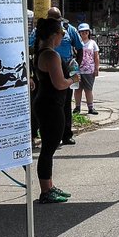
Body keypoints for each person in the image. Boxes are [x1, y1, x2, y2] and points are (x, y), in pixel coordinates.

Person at [33, 18, 78, 203]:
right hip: (50, 105)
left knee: (50, 146)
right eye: (61, 34)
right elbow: (59, 83)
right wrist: (72, 80)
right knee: (48, 149)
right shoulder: (51, 55)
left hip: (48, 103)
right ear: (54, 35)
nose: (63, 37)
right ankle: (45, 191)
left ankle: (49, 185)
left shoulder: (42, 53)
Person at [46, 7, 83, 146]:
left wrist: (75, 67)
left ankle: (66, 134)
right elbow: (31, 46)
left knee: (66, 104)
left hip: (66, 68)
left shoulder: (70, 30)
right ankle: (48, 133)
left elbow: (80, 48)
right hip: (47, 69)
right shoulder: (41, 30)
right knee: (48, 102)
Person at [73, 23, 100, 115]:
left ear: (89, 32)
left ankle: (90, 107)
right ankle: (77, 107)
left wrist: (96, 68)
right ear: (79, 33)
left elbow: (96, 57)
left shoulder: (93, 43)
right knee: (77, 90)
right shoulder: (76, 44)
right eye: (82, 32)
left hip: (89, 70)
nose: (84, 33)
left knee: (88, 90)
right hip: (77, 70)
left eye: (86, 31)